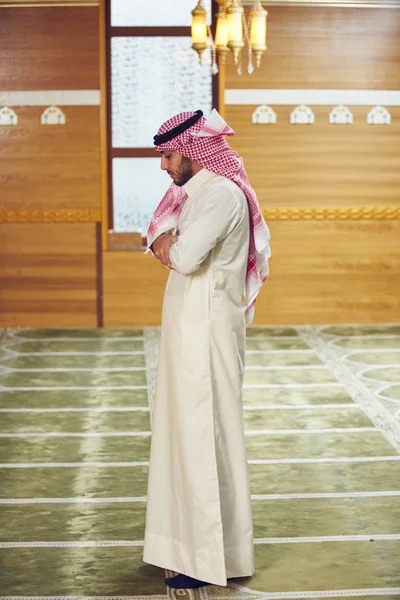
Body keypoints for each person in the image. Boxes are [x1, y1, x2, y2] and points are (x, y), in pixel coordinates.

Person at [143, 109, 271, 590]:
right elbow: (168, 243)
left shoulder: (219, 194)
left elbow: (184, 255)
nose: (164, 167)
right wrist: (164, 240)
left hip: (206, 335)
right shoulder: (198, 195)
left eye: (168, 155)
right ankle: (196, 549)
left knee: (205, 437)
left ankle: (206, 558)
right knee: (187, 434)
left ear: (193, 151)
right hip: (190, 333)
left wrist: (164, 244)